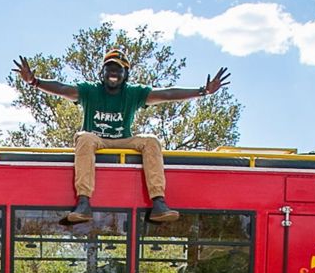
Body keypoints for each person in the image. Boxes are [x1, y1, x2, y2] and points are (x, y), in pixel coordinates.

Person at [13, 50, 230, 224]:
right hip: (96, 140)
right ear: (103, 72)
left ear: (125, 74)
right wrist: (34, 81)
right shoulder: (90, 91)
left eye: (118, 69)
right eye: (109, 69)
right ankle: (84, 202)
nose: (113, 73)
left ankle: (158, 202)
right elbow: (62, 88)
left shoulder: (134, 93)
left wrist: (203, 92)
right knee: (84, 137)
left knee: (151, 141)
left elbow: (166, 94)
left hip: (122, 141)